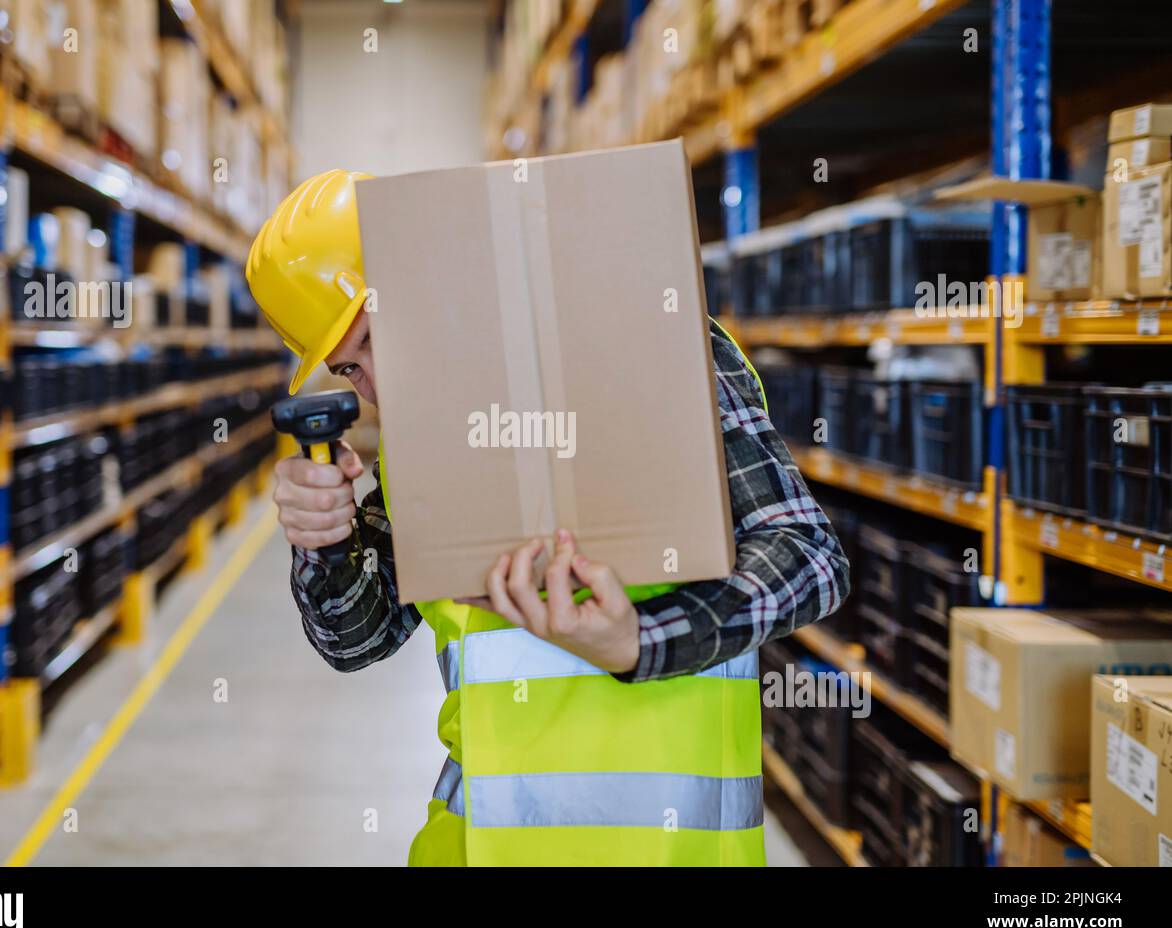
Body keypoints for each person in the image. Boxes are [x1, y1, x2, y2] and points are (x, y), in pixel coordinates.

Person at [247, 169, 850, 866]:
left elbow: (808, 556)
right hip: (477, 846)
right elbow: (359, 640)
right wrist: (325, 541)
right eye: (348, 370)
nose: (375, 390)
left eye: (375, 340)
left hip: (669, 849)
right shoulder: (422, 443)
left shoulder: (656, 349)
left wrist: (640, 640)